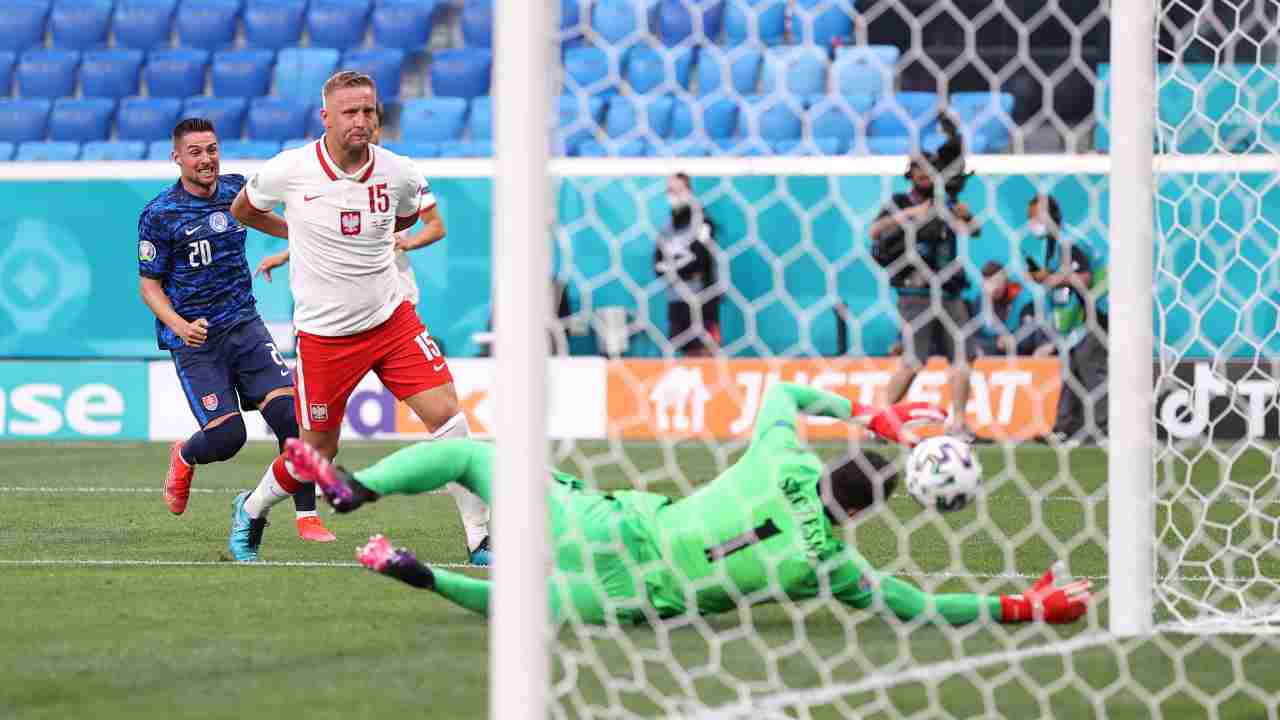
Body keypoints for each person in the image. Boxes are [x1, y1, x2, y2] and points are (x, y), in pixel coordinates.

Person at [283, 386, 1091, 628]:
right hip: (643, 598)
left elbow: (783, 392)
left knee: (472, 454)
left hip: (614, 524)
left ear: (827, 466)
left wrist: (871, 417)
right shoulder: (830, 566)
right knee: (532, 611)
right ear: (869, 513)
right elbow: (914, 605)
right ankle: (421, 575)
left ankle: (360, 488)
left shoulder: (781, 455)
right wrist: (1018, 604)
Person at [229, 71, 492, 565]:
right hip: (325, 337)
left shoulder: (399, 171)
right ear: (325, 116)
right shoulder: (290, 169)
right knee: (318, 454)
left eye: (369, 111)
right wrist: (294, 231)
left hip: (392, 323)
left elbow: (409, 217)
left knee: (449, 421)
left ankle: (480, 539)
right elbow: (244, 207)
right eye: (350, 112)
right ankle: (252, 508)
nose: (362, 120)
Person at [137, 118, 335, 562]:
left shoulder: (235, 191)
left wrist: (305, 233)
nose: (205, 159)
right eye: (195, 152)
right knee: (228, 438)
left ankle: (307, 515)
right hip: (196, 339)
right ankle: (185, 456)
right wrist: (181, 324)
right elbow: (148, 286)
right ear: (177, 158)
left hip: (244, 325)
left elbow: (269, 219)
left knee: (290, 416)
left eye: (211, 149)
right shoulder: (159, 213)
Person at [869, 116, 983, 441]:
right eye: (917, 171)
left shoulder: (946, 201)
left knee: (963, 357)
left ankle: (958, 423)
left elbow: (975, 231)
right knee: (913, 360)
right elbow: (874, 231)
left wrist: (965, 217)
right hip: (915, 291)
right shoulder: (899, 203)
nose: (923, 175)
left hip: (949, 290)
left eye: (927, 170)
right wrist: (909, 216)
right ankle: (882, 421)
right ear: (910, 174)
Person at [1023, 194, 1109, 445]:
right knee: (1070, 370)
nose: (1032, 223)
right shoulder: (1053, 244)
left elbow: (1084, 278)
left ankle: (1105, 429)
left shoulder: (1069, 242)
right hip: (1075, 321)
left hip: (1095, 314)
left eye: (1035, 217)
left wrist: (1049, 278)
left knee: (1092, 369)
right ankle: (1065, 428)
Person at [654, 172, 722, 357]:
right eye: (669, 190)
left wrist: (672, 267)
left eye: (678, 190)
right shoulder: (666, 229)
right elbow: (657, 266)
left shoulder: (703, 222)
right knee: (685, 356)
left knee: (705, 353)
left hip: (702, 300)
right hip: (676, 300)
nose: (673, 194)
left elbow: (699, 260)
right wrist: (681, 265)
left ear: (689, 191)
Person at [970, 260, 1043, 357]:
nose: (995, 287)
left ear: (1005, 280)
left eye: (998, 281)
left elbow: (1030, 338)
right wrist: (995, 343)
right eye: (990, 282)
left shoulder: (1021, 298)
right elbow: (974, 337)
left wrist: (1012, 339)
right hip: (991, 353)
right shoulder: (980, 302)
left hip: (1019, 353)